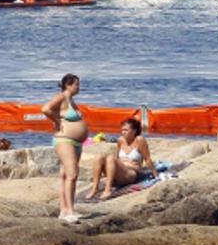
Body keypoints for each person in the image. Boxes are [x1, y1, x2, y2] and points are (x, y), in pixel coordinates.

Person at [41, 73, 87, 222]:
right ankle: (69, 211)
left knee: (64, 176)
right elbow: (46, 109)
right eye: (76, 84)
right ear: (68, 85)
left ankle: (64, 210)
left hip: (76, 142)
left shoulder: (72, 100)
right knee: (72, 175)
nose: (78, 87)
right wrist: (57, 121)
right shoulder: (62, 96)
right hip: (64, 140)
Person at [87, 117, 157, 200]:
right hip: (117, 174)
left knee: (110, 158)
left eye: (126, 130)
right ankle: (95, 188)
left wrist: (155, 175)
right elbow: (117, 158)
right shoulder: (120, 140)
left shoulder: (140, 140)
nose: (122, 132)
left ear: (134, 131)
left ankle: (108, 189)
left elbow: (147, 158)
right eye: (122, 130)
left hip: (130, 174)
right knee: (99, 157)